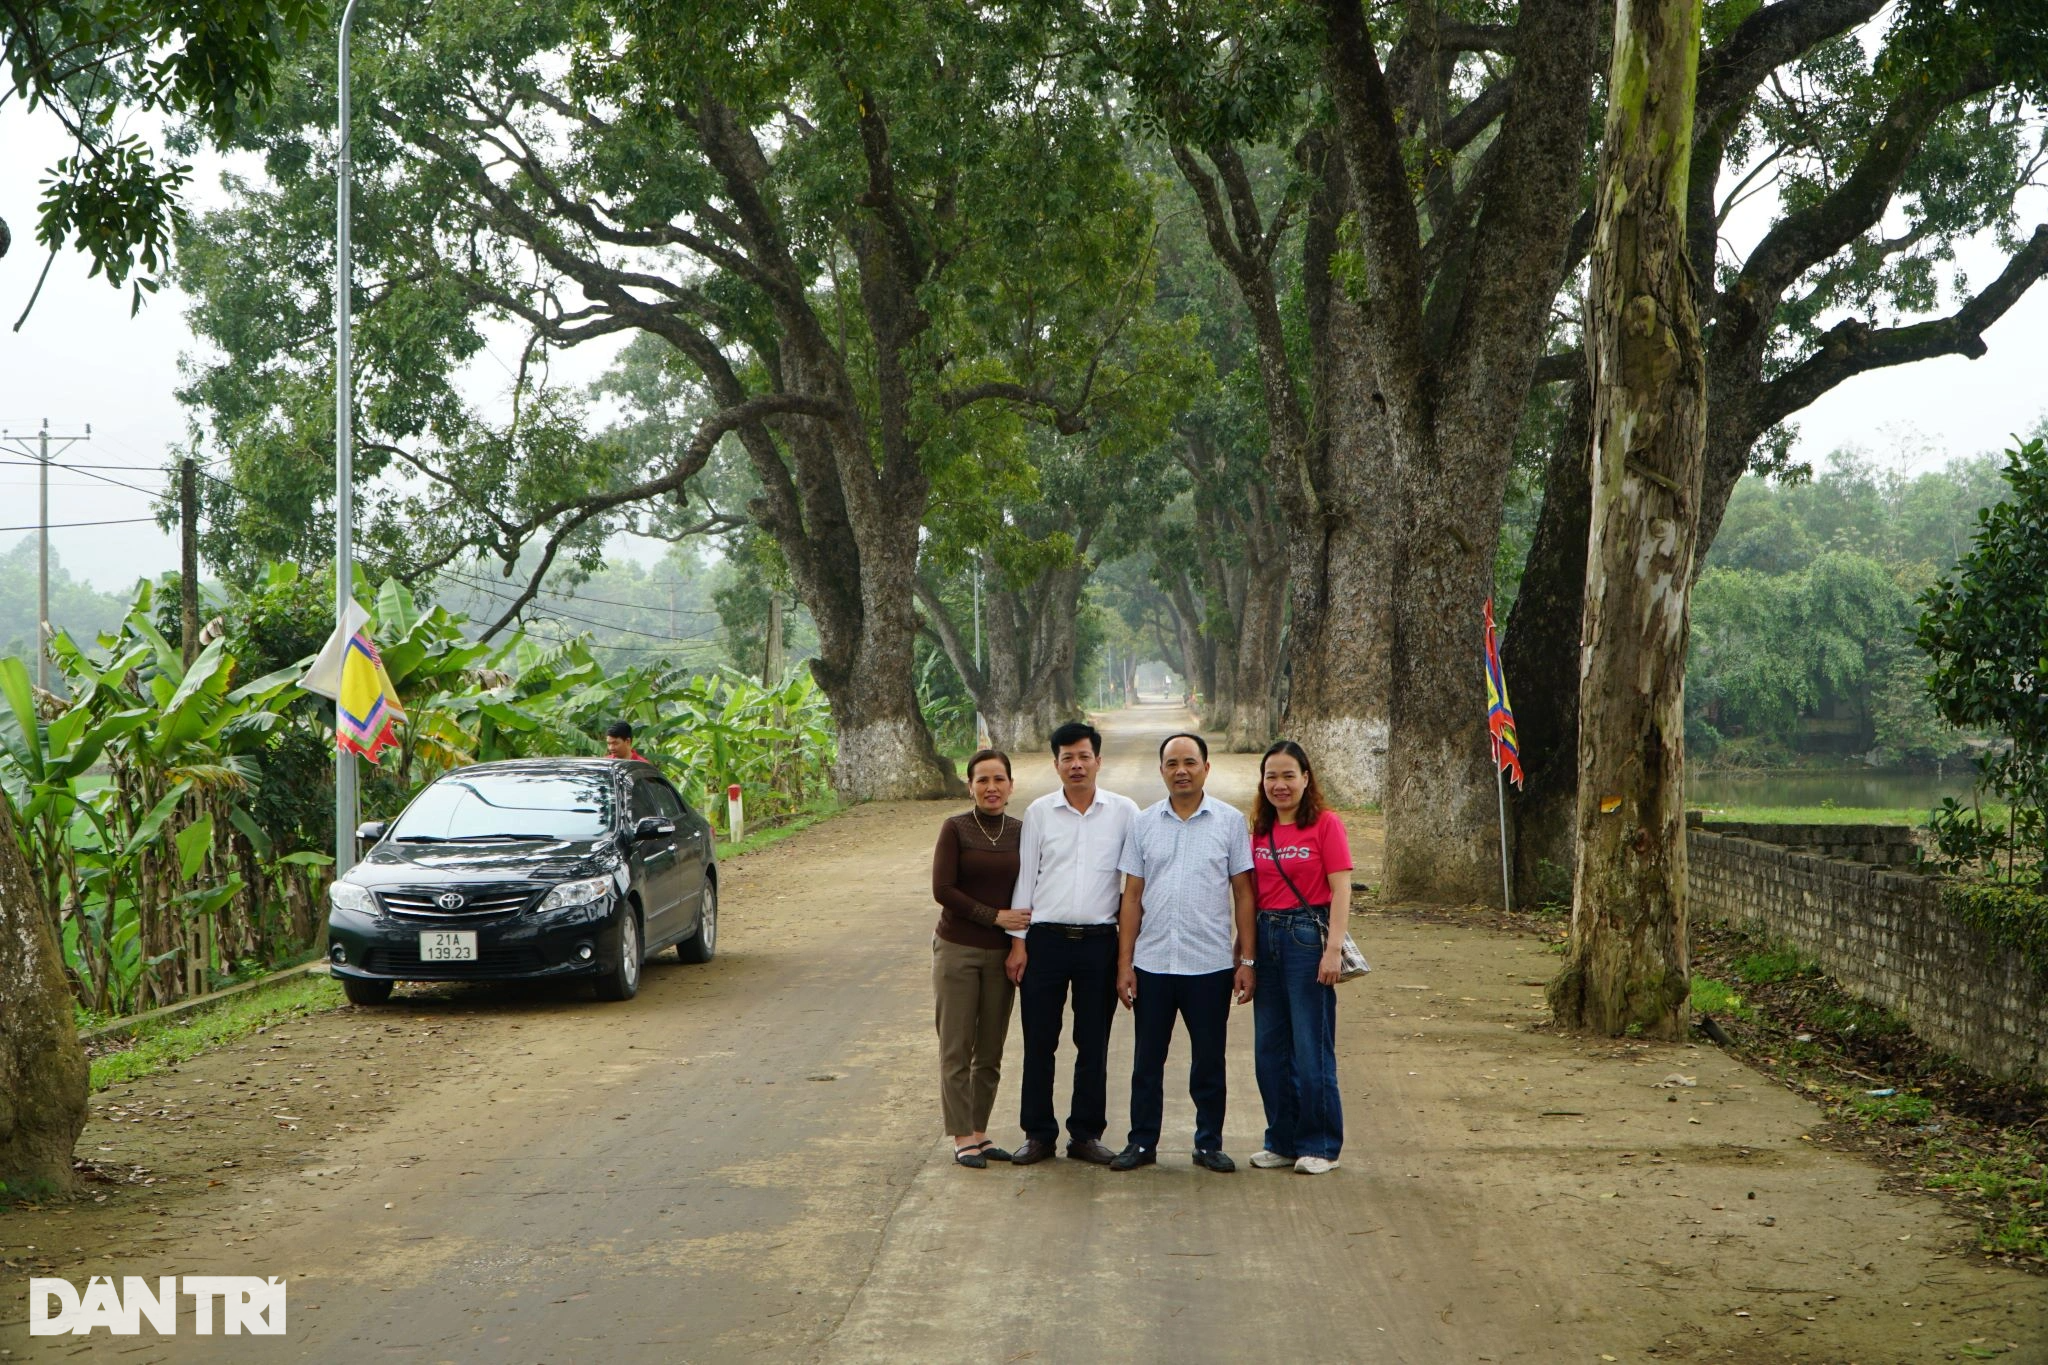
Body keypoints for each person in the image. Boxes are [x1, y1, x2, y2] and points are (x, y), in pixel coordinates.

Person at [1109, 731, 1255, 1173]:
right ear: (1162, 772)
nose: (1181, 771)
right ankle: (1141, 1143)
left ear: (1206, 768)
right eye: (1172, 764)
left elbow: (1244, 894)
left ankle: (1208, 1143)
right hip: (1153, 964)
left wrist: (1246, 960)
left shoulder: (1229, 822)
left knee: (1209, 1062)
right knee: (1146, 1063)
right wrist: (1125, 964)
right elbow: (1131, 897)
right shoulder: (1143, 823)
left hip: (1209, 965)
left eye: (1190, 762)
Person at [1006, 720, 1140, 1166]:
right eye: (1068, 758)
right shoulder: (1040, 813)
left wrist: (1127, 957)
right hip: (1045, 941)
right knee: (1039, 1040)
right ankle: (1038, 1133)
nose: (1077, 765)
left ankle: (1085, 1133)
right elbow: (1026, 878)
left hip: (1098, 943)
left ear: (1099, 761)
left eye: (1084, 756)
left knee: (1093, 1042)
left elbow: (1133, 888)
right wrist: (1019, 943)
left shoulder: (1125, 812)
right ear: (1056, 764)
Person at [1247, 739, 1354, 1175]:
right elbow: (1249, 894)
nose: (1280, 784)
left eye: (1289, 775)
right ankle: (1283, 1140)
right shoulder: (1258, 830)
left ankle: (1321, 1144)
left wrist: (1332, 951)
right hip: (1266, 935)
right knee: (1270, 1051)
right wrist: (1246, 954)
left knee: (1312, 1049)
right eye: (1271, 776)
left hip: (1308, 938)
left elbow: (1342, 889)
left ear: (1306, 778)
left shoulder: (1325, 825)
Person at [930, 750, 1030, 1168]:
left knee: (990, 1049)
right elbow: (944, 889)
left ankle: (981, 1131)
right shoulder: (955, 829)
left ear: (1010, 785)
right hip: (957, 949)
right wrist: (994, 917)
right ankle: (961, 1136)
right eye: (983, 780)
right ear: (970, 786)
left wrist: (1017, 938)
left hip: (1002, 955)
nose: (991, 788)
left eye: (999, 780)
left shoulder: (1022, 832)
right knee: (957, 1047)